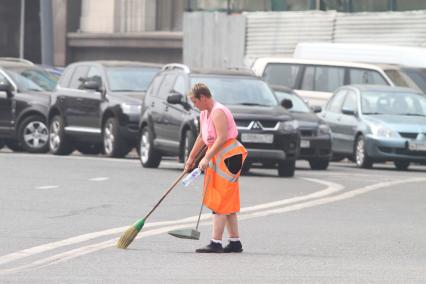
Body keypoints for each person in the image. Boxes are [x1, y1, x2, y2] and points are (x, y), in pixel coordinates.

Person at [185, 83, 247, 253]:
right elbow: (202, 136)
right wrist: (191, 158)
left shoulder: (218, 111)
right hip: (219, 157)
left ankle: (216, 243)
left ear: (203, 98)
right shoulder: (204, 113)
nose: (194, 105)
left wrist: (206, 158)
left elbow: (221, 138)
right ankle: (235, 242)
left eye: (195, 101)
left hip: (229, 158)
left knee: (220, 201)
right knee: (227, 202)